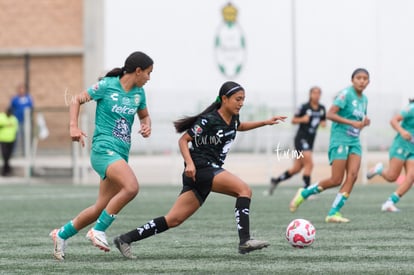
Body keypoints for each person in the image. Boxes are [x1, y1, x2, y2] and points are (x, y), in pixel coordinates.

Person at [113, 81, 286, 258]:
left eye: (243, 99)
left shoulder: (233, 118)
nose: (241, 103)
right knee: (244, 190)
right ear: (225, 99)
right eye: (238, 99)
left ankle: (125, 239)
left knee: (173, 219)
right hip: (201, 169)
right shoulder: (209, 119)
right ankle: (245, 241)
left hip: (203, 174)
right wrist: (189, 163)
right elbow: (183, 140)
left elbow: (238, 127)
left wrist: (265, 122)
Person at [49, 51, 154, 261]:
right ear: (138, 71)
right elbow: (77, 99)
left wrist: (146, 126)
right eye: (149, 73)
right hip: (103, 150)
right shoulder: (107, 86)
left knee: (100, 207)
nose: (149, 78)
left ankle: (61, 234)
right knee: (132, 187)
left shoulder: (139, 94)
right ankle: (98, 231)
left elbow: (144, 116)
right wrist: (73, 126)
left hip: (121, 153)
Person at [289, 68, 370, 223]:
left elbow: (358, 123)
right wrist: (351, 122)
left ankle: (334, 212)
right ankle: (304, 193)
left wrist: (363, 123)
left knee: (352, 176)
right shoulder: (345, 94)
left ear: (368, 82)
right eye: (358, 78)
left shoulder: (364, 99)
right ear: (352, 80)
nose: (362, 81)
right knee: (336, 179)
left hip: (354, 142)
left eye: (365, 78)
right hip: (339, 140)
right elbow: (330, 114)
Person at [266, 86, 326, 195]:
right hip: (301, 139)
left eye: (319, 93)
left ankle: (276, 180)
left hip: (310, 140)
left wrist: (324, 123)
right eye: (314, 93)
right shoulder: (304, 107)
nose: (317, 95)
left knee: (296, 168)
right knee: (310, 164)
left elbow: (323, 121)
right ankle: (306, 192)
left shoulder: (322, 108)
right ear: (310, 94)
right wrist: (302, 119)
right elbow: (293, 120)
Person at [366, 98, 414, 212]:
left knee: (411, 177)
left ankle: (390, 202)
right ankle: (379, 170)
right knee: (392, 177)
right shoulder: (411, 108)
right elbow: (393, 121)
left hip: (412, 150)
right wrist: (402, 132)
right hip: (401, 146)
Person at [10, 84, 33, 155]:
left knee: (26, 137)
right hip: (16, 121)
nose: (21, 91)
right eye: (20, 89)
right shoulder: (15, 99)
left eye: (23, 89)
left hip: (26, 121)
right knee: (15, 137)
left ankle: (26, 152)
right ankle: (14, 152)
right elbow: (11, 108)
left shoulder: (28, 98)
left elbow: (31, 108)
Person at [0, 107, 18, 176]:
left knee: (8, 155)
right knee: (5, 155)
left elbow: (16, 129)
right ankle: (6, 170)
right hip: (3, 139)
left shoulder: (14, 119)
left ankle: (6, 169)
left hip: (11, 139)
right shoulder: (1, 117)